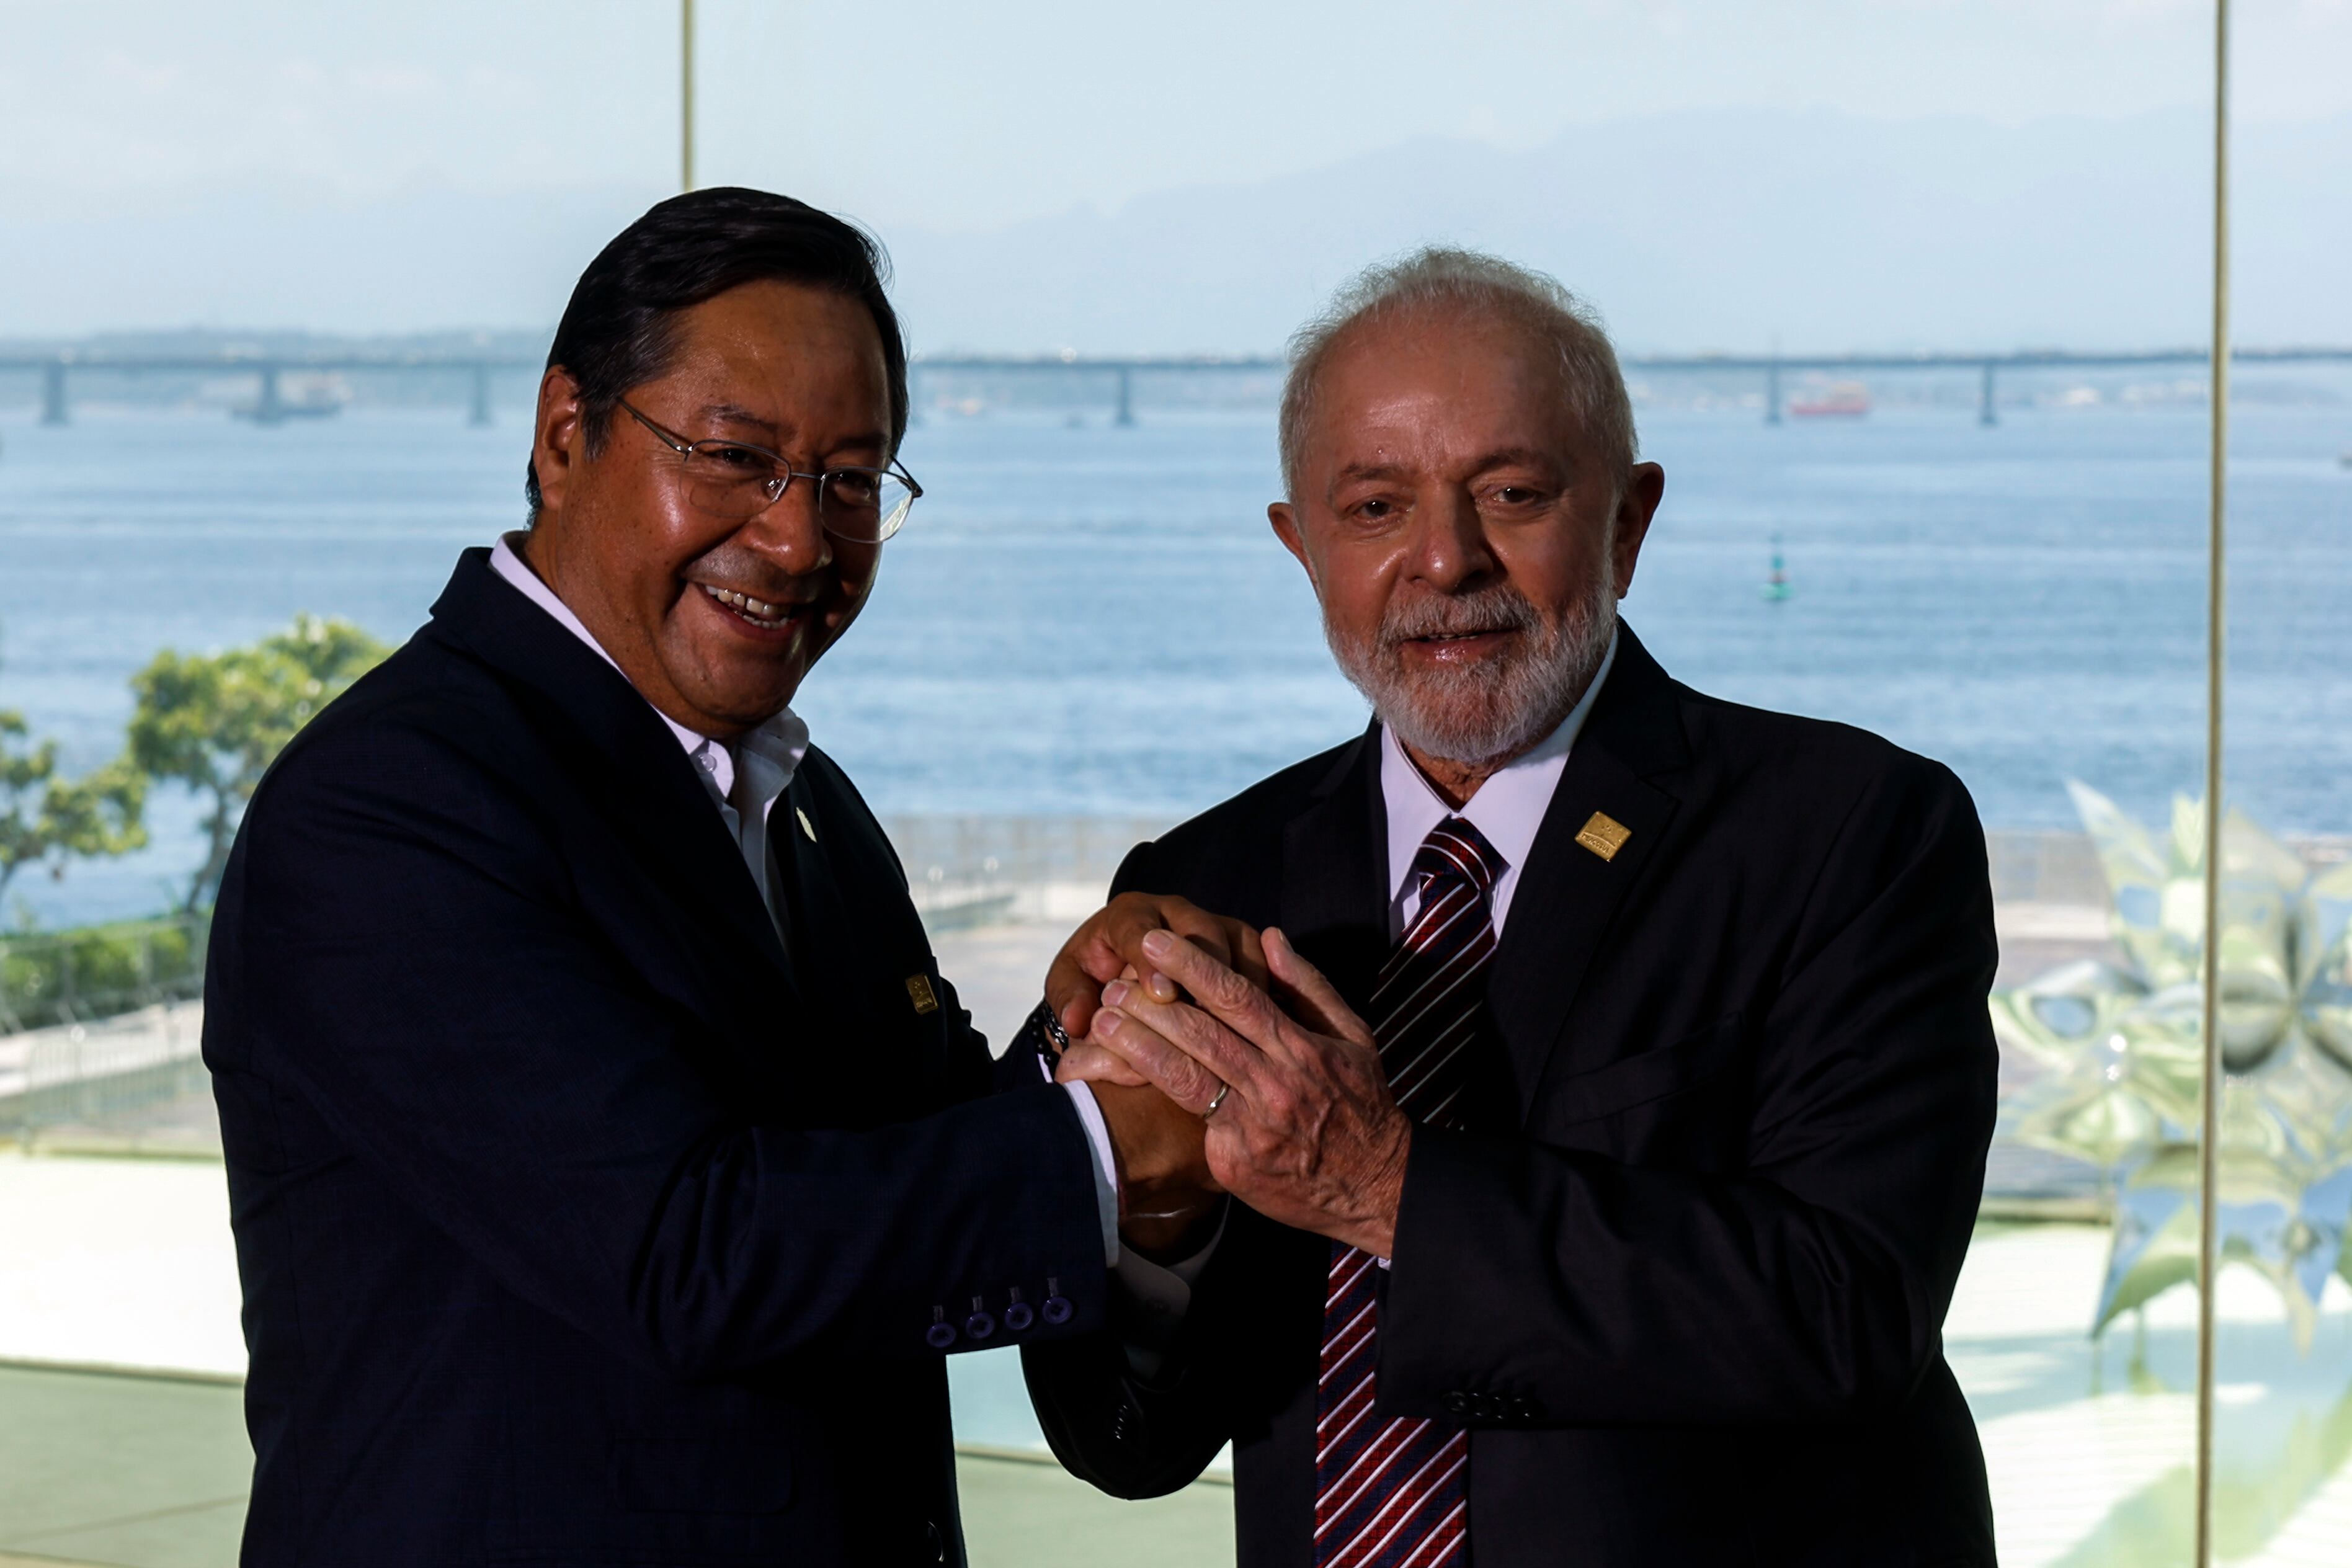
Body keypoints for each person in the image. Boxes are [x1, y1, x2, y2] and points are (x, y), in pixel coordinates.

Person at [201, 188, 1227, 1568]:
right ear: (566, 436)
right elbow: (691, 1252)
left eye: (852, 482)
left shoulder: (803, 803)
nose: (801, 541)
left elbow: (888, 1174)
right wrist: (1104, 1141)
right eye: (736, 458)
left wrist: (1106, 1033)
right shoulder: (391, 807)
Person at [1025, 248, 2001, 1567]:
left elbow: (1846, 1312)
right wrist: (1159, 1217)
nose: (1445, 558)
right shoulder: (1212, 881)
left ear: (1629, 521)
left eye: (1514, 492)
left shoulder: (1849, 831)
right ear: (1298, 544)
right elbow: (1129, 1445)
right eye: (1373, 508)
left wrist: (1382, 1185)